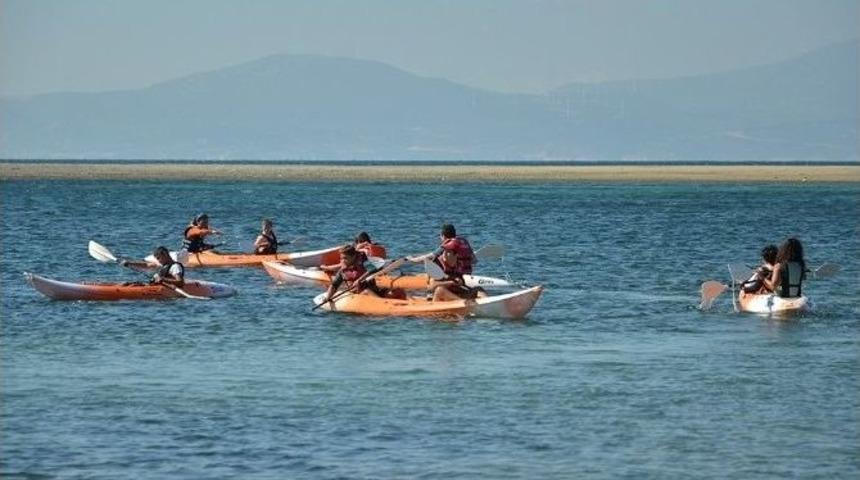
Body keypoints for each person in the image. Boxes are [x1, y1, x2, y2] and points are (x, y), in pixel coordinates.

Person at [411, 223, 482, 301]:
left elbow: (429, 257)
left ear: (443, 236)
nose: (447, 256)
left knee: (479, 289)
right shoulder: (438, 265)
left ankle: (486, 302)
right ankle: (463, 302)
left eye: (450, 254)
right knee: (440, 290)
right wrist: (451, 282)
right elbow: (432, 285)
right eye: (446, 253)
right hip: (443, 294)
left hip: (456, 291)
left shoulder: (453, 262)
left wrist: (414, 260)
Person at [321, 245, 397, 304]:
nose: (343, 261)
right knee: (366, 291)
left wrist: (360, 279)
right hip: (359, 294)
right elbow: (334, 286)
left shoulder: (364, 263)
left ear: (353, 257)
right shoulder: (342, 271)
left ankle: (404, 305)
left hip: (375, 291)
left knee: (397, 291)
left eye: (345, 258)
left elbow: (378, 267)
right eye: (341, 258)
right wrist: (328, 297)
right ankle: (383, 304)